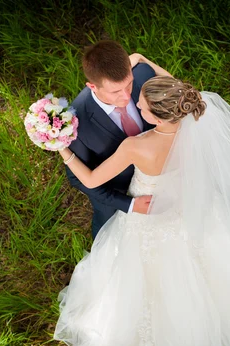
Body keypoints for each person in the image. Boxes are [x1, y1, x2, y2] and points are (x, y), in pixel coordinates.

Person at [53, 72, 230, 346]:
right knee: (207, 272)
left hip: (150, 222)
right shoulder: (198, 126)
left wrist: (63, 150)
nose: (137, 106)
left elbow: (93, 180)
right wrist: (138, 60)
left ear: (156, 114)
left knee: (148, 279)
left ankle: (156, 344)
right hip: (190, 213)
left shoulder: (137, 146)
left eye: (142, 106)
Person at [66, 40, 170, 238]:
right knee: (109, 236)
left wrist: (140, 59)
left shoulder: (144, 76)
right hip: (114, 190)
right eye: (115, 91)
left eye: (129, 84)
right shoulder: (76, 122)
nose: (126, 95)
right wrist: (129, 204)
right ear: (92, 86)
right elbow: (78, 178)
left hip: (158, 177)